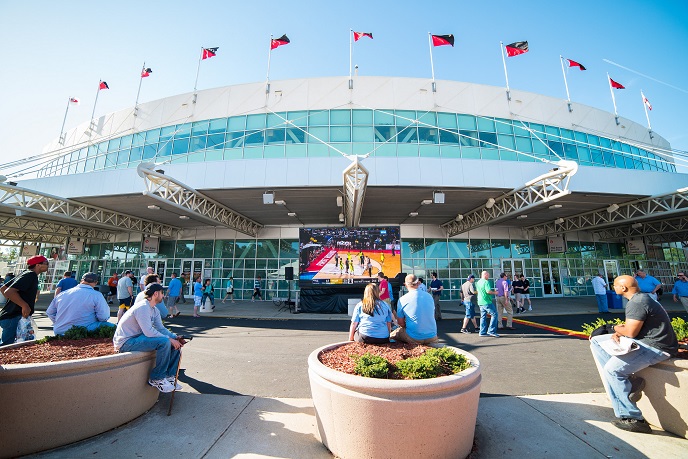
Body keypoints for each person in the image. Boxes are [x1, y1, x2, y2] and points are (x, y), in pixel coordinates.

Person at [590, 275, 678, 434]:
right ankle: (631, 382)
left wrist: (617, 329)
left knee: (612, 370)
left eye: (615, 285)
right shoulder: (640, 299)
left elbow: (630, 331)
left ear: (623, 288)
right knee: (597, 341)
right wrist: (621, 331)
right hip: (646, 341)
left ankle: (632, 418)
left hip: (657, 347)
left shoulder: (637, 302)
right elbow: (633, 329)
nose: (613, 287)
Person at [113, 283, 186, 393]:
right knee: (165, 342)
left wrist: (175, 337)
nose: (163, 295)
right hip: (126, 342)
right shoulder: (143, 307)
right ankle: (157, 378)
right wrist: (169, 339)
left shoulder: (154, 310)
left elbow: (160, 329)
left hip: (138, 338)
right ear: (156, 294)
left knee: (174, 344)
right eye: (162, 293)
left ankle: (170, 377)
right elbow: (148, 332)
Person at [0, 255, 50, 346]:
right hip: (14, 317)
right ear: (37, 265)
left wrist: (14, 300)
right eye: (46, 263)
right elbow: (8, 291)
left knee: (12, 346)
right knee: (7, 348)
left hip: (13, 316)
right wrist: (24, 305)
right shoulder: (30, 275)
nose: (48, 265)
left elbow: (3, 289)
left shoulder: (25, 273)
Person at [46, 272, 115, 335]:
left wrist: (60, 322)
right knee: (114, 327)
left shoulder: (62, 294)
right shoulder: (96, 295)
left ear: (81, 280)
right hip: (83, 329)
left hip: (59, 330)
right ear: (96, 282)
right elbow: (103, 317)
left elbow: (50, 312)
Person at [390, 274, 438, 344]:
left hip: (414, 337)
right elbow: (432, 316)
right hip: (432, 336)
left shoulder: (402, 299)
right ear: (418, 283)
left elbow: (400, 323)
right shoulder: (429, 296)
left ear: (405, 285)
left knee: (392, 335)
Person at [475, 270, 499, 337]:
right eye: (488, 275)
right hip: (487, 301)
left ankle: (482, 332)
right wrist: (495, 293)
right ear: (485, 275)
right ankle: (491, 331)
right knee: (494, 314)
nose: (488, 276)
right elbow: (488, 291)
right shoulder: (486, 282)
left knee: (483, 317)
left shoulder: (478, 282)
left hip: (480, 301)